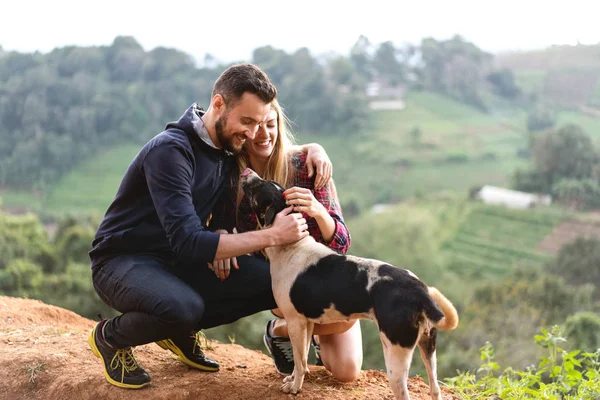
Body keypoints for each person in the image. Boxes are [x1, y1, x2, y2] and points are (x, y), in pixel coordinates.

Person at [87, 63, 332, 389]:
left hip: (175, 261)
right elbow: (188, 241)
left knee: (268, 282)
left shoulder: (228, 145)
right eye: (246, 122)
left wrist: (315, 149)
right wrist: (272, 235)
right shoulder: (171, 152)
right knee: (183, 308)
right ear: (218, 104)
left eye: (259, 123)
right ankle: (111, 337)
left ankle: (175, 330)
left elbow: (273, 146)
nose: (252, 133)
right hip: (122, 262)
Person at [209, 99, 363, 383]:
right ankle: (284, 328)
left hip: (327, 275)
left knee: (346, 372)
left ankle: (286, 331)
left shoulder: (308, 166)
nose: (265, 134)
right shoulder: (231, 180)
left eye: (272, 125)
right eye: (257, 126)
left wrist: (317, 210)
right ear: (246, 129)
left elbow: (341, 244)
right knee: (330, 319)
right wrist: (219, 235)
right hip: (285, 283)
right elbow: (216, 221)